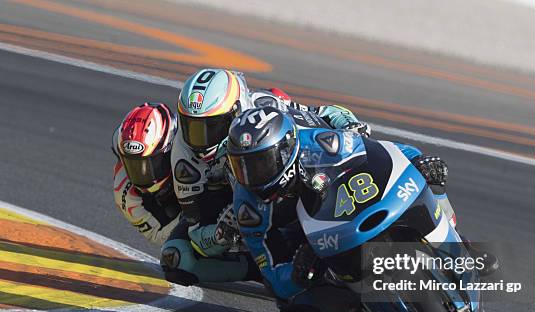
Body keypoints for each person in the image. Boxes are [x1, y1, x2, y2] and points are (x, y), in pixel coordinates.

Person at [226, 106, 497, 312]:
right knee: (295, 308)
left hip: (348, 203)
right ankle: (361, 306)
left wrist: (417, 160)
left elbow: (380, 151)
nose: (252, 176)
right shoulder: (248, 208)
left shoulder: (321, 142)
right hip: (306, 244)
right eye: (243, 167)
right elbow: (271, 274)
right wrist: (296, 272)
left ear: (285, 150)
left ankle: (460, 245)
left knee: (430, 178)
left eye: (261, 164)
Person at [160, 68, 371, 286]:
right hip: (239, 206)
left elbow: (325, 112)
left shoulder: (264, 107)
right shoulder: (184, 159)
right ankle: (264, 269)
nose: (200, 140)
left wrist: (350, 127)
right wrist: (221, 232)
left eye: (211, 127)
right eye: (191, 126)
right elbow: (196, 232)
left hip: (288, 180)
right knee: (175, 258)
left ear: (237, 110)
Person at [112, 103, 180, 246]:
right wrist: (192, 217)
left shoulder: (184, 149)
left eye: (150, 164)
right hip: (181, 218)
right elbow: (159, 236)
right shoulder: (124, 192)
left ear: (168, 151)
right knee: (174, 254)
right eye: (134, 166)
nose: (143, 173)